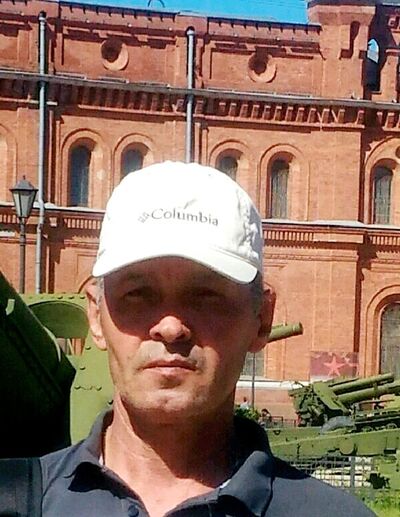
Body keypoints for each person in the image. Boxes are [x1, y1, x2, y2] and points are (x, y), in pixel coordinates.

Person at [40, 162, 374, 516]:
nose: (171, 327)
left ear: (262, 319)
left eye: (206, 296)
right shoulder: (19, 500)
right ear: (95, 315)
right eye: (138, 294)